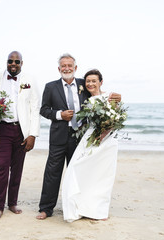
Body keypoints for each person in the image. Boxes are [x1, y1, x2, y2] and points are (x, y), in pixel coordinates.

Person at [37, 54, 121, 220]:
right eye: (63, 66)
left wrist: (116, 98)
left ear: (75, 68)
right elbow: (44, 110)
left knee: (80, 172)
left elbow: (99, 97)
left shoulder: (84, 83)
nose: (66, 68)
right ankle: (46, 208)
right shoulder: (50, 87)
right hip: (58, 136)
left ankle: (81, 206)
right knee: (52, 172)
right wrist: (60, 115)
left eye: (70, 65)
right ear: (59, 69)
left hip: (81, 136)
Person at [61, 69, 119, 222]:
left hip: (107, 141)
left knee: (102, 176)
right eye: (88, 81)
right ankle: (82, 207)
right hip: (90, 138)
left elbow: (115, 119)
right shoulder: (87, 100)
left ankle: (98, 211)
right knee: (78, 170)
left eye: (94, 81)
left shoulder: (110, 97)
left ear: (101, 82)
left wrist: (103, 135)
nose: (91, 84)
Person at [0, 51, 40, 220]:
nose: (13, 64)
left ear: (21, 63)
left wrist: (33, 134)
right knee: (2, 167)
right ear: (6, 62)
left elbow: (35, 108)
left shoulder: (30, 79)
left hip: (21, 130)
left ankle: (12, 203)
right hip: (2, 128)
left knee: (17, 169)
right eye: (10, 61)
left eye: (17, 62)